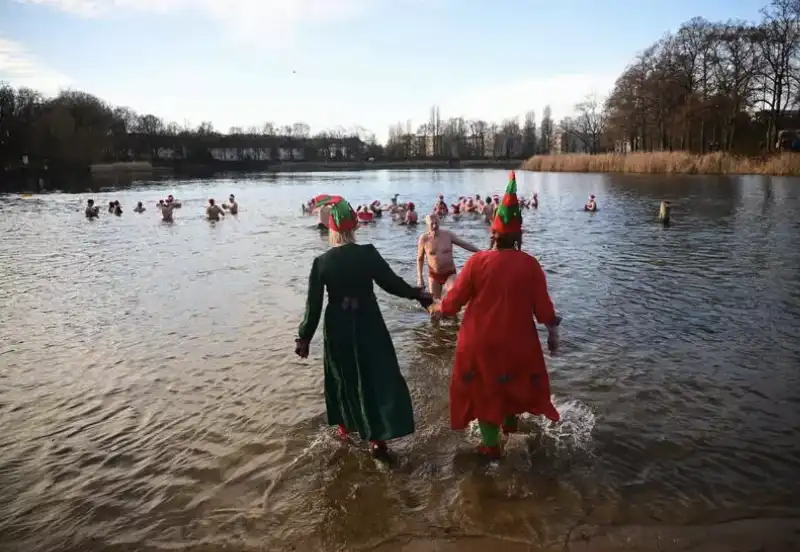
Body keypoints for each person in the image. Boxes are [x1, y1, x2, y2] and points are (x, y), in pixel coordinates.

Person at [429, 171, 562, 459]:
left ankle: (490, 447)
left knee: (483, 389)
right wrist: (553, 334)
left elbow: (452, 304)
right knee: (513, 383)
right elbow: (545, 311)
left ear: (493, 233)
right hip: (518, 342)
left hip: (479, 342)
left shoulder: (477, 262)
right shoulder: (530, 265)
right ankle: (510, 430)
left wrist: (437, 306)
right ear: (519, 236)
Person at [294, 197, 433, 460]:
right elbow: (391, 284)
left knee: (342, 378)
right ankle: (379, 440)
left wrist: (304, 338)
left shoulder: (321, 262)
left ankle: (346, 433)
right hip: (369, 322)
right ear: (354, 228)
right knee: (376, 377)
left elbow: (312, 308)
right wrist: (418, 295)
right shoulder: (367, 253)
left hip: (338, 328)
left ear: (332, 230)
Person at [417, 213, 480, 300]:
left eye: (436, 223)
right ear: (427, 224)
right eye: (432, 224)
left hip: (449, 273)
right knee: (435, 305)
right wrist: (420, 278)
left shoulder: (447, 235)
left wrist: (481, 252)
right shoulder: (424, 239)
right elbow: (420, 259)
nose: (434, 226)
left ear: (439, 222)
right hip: (434, 275)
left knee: (453, 298)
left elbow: (464, 244)